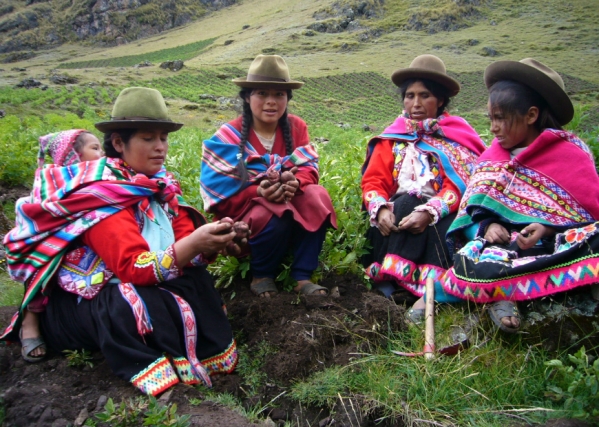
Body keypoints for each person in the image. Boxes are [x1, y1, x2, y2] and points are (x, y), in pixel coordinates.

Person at [3, 87, 239, 395]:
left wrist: (213, 242)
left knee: (196, 281)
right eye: (147, 138)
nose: (160, 148)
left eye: (163, 138)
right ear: (118, 143)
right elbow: (133, 267)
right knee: (129, 303)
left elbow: (184, 246)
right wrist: (193, 244)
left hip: (140, 279)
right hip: (97, 294)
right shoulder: (101, 198)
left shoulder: (160, 188)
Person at [444, 58, 599, 333]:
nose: (493, 128)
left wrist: (545, 227)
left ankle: (503, 290)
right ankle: (505, 292)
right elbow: (471, 209)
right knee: (482, 250)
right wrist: (488, 225)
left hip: (553, 244)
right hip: (504, 244)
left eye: (501, 118)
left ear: (531, 115)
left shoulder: (571, 154)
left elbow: (587, 213)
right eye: (491, 118)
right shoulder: (493, 156)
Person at [361, 54, 486, 322]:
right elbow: (374, 181)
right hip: (398, 213)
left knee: (445, 225)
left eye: (424, 95)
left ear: (440, 100)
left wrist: (430, 211)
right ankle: (393, 284)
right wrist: (379, 208)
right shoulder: (393, 138)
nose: (415, 103)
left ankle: (423, 291)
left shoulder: (457, 134)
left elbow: (461, 183)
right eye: (409, 95)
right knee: (402, 205)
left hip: (442, 213)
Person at [200, 55, 337, 297]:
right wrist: (259, 192)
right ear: (246, 97)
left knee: (317, 194)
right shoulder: (227, 136)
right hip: (247, 216)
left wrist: (296, 183)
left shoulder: (297, 127)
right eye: (262, 93)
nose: (271, 102)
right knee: (269, 209)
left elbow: (306, 168)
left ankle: (302, 276)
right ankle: (261, 274)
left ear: (288, 99)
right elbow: (219, 191)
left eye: (279, 95)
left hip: (288, 204)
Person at [15, 129, 104, 363]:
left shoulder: (103, 181)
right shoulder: (50, 187)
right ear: (72, 156)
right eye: (94, 148)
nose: (101, 153)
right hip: (58, 252)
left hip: (90, 254)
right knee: (43, 258)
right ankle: (30, 322)